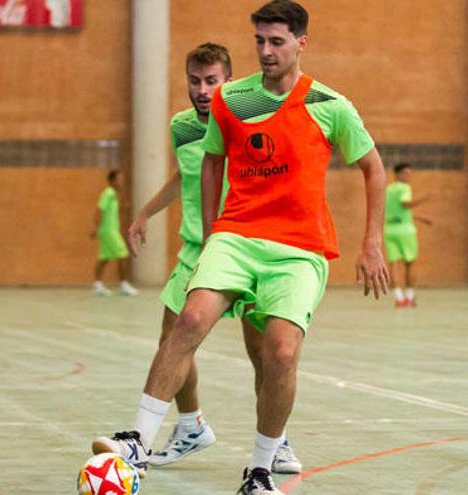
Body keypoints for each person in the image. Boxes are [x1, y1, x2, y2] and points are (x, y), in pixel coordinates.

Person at [92, 1, 389, 493]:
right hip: (237, 235)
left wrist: (372, 242)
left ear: (301, 43)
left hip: (299, 248)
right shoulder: (233, 98)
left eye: (277, 42)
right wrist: (213, 233)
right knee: (187, 320)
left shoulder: (330, 105)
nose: (267, 51)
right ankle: (137, 441)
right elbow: (210, 163)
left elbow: (373, 168)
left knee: (279, 353)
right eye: (260, 42)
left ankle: (259, 468)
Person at [127, 43, 302, 473]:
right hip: (197, 249)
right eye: (195, 81)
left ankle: (276, 442)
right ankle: (190, 426)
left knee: (261, 352)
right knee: (173, 341)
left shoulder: (249, 119)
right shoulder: (182, 126)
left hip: (245, 244)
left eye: (212, 81)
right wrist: (146, 212)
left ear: (229, 80)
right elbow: (184, 173)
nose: (203, 90)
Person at [383, 162, 431, 308]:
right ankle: (409, 296)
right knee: (410, 263)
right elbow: (405, 205)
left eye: (409, 174)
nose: (408, 176)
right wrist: (423, 199)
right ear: (397, 174)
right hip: (405, 230)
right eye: (405, 173)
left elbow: (399, 211)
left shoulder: (388, 190)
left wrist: (422, 218)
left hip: (389, 229)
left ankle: (398, 297)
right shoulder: (405, 188)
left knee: (394, 264)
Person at [91, 170, 139, 296]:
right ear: (112, 180)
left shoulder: (115, 194)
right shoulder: (108, 193)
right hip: (108, 230)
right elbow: (99, 210)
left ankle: (97, 284)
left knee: (104, 257)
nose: (121, 181)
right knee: (123, 253)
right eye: (119, 178)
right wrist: (96, 228)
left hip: (111, 230)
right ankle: (123, 284)